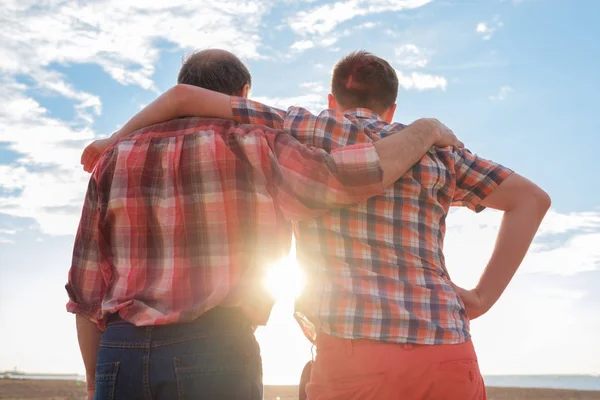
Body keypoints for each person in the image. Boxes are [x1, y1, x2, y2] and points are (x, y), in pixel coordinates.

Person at [87, 50, 551, 400]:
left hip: (352, 354)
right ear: (391, 106)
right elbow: (532, 199)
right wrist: (481, 298)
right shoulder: (439, 150)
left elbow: (183, 98)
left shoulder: (301, 126)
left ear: (332, 98)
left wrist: (112, 141)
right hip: (448, 348)